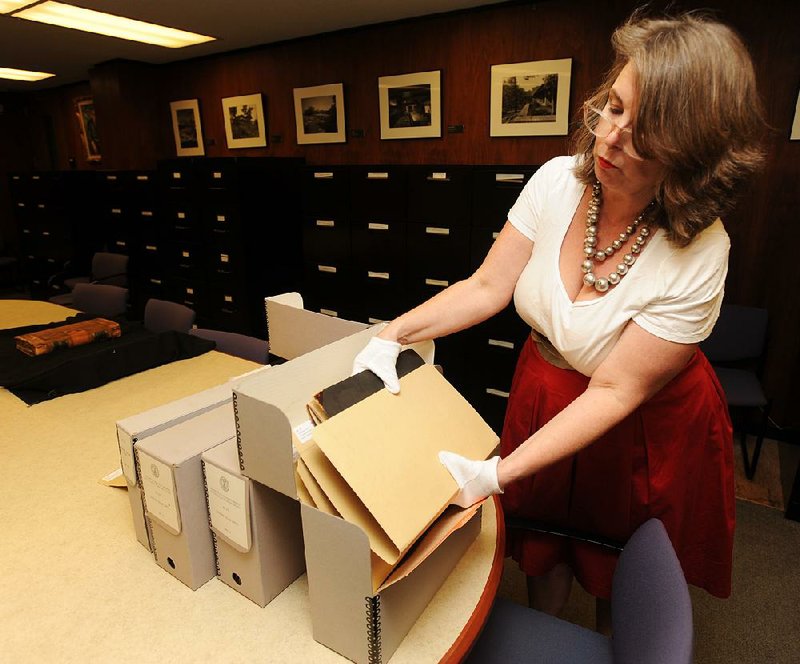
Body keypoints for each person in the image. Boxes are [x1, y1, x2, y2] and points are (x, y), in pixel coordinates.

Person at [351, 10, 767, 630]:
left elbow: (618, 388)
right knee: (543, 549)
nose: (608, 136)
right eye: (614, 107)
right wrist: (391, 335)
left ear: (691, 154)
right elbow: (487, 286)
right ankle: (547, 631)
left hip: (644, 417)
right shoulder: (555, 182)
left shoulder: (704, 250)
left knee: (618, 563)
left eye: (642, 130)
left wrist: (496, 471)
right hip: (546, 387)